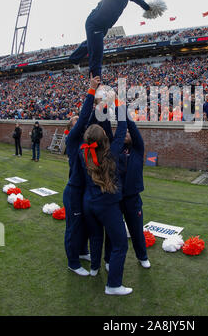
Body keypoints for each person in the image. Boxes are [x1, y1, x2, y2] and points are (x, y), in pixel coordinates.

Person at [79, 110, 132, 295]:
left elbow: (88, 128)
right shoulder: (112, 152)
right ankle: (113, 285)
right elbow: (122, 128)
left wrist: (97, 109)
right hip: (107, 204)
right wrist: (118, 105)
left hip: (88, 203)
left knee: (95, 236)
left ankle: (94, 268)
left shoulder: (82, 151)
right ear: (104, 140)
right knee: (120, 244)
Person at [69, 0, 151, 78]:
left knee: (90, 44)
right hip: (95, 23)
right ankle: (95, 90)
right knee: (97, 55)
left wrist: (148, 8)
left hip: (103, 26)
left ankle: (74, 58)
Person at [63, 75, 100, 276]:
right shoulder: (72, 140)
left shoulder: (83, 138)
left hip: (85, 190)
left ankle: (83, 251)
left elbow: (91, 119)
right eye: (76, 122)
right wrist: (91, 91)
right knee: (73, 227)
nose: (80, 123)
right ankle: (72, 262)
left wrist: (97, 104)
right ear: (71, 129)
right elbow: (85, 117)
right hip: (74, 190)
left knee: (85, 223)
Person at [104, 110, 150, 271]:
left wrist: (121, 110)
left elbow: (133, 129)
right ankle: (108, 259)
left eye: (129, 133)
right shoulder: (114, 150)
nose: (127, 134)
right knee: (111, 232)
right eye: (125, 132)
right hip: (115, 199)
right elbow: (108, 130)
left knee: (136, 230)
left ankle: (142, 256)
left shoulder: (137, 149)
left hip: (132, 198)